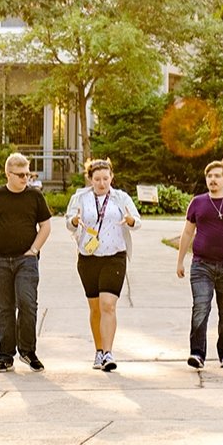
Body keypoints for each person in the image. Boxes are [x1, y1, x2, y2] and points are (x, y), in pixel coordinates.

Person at [0, 152, 51, 373]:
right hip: (0, 260)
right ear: (8, 174)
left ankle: (28, 352)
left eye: (28, 174)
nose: (25, 179)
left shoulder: (35, 197)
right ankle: (5, 356)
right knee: (5, 308)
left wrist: (34, 249)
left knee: (27, 304)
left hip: (26, 261)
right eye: (20, 175)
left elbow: (46, 226)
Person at [176, 159, 223, 369]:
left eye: (217, 176)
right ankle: (197, 353)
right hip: (202, 266)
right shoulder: (197, 202)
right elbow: (187, 233)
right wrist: (180, 260)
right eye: (210, 176)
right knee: (200, 308)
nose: (213, 180)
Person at [66, 159, 140, 371]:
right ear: (90, 179)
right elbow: (69, 223)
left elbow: (137, 220)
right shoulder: (80, 197)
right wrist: (73, 221)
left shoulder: (120, 197)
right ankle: (98, 351)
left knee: (108, 304)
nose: (101, 183)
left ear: (111, 177)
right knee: (95, 307)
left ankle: (108, 353)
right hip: (88, 257)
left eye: (105, 179)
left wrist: (131, 220)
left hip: (114, 256)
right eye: (97, 179)